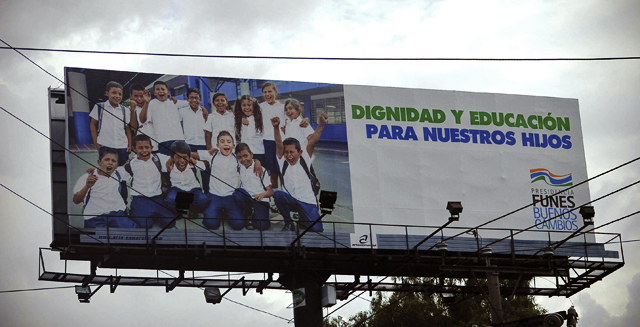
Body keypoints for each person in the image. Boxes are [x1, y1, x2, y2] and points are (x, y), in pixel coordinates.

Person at [271, 111, 328, 232]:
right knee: (278, 195)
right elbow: (278, 143)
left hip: (307, 201)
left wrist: (321, 124)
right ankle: (288, 223)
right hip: (291, 199)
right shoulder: (282, 161)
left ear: (300, 152)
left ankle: (303, 218)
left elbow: (312, 141)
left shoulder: (305, 158)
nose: (289, 155)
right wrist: (276, 127)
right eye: (286, 152)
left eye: (292, 152)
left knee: (317, 229)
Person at [118, 134, 176, 229]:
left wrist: (174, 156)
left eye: (147, 147)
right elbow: (115, 172)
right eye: (140, 148)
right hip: (140, 199)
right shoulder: (130, 165)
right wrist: (95, 171)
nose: (144, 151)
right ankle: (144, 213)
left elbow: (172, 159)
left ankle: (153, 214)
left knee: (170, 222)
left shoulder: (158, 158)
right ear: (134, 149)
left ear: (152, 148)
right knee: (142, 226)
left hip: (157, 197)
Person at [72, 149, 137, 228]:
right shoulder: (87, 177)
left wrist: (133, 160)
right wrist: (87, 186)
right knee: (99, 238)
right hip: (95, 217)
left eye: (113, 161)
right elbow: (76, 200)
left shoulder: (119, 173)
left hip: (117, 215)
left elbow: (132, 164)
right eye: (106, 159)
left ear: (117, 165)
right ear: (99, 162)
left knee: (134, 233)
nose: (110, 162)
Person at [194, 131, 245, 230]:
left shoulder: (237, 157)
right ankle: (215, 211)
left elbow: (250, 159)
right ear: (217, 145)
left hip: (230, 196)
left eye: (229, 142)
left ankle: (226, 212)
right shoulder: (212, 155)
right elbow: (192, 154)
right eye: (222, 142)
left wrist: (257, 162)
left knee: (238, 225)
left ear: (234, 145)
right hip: (214, 195)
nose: (226, 144)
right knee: (211, 224)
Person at [89, 81, 132, 166]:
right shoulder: (100, 107)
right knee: (107, 170)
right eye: (114, 93)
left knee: (122, 171)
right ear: (107, 93)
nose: (117, 96)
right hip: (105, 145)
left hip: (122, 146)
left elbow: (127, 128)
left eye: (120, 94)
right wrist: (95, 142)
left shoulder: (125, 110)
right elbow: (93, 124)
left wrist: (129, 145)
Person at [163, 141, 210, 218]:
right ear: (172, 157)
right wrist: (169, 160)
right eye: (178, 157)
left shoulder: (192, 165)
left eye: (185, 157)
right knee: (170, 200)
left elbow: (205, 165)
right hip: (177, 189)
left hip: (193, 189)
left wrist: (193, 160)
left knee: (203, 200)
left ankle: (194, 208)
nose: (182, 161)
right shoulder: (169, 165)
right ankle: (179, 210)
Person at [234, 143, 274, 231]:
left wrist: (262, 195)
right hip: (247, 198)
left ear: (251, 154)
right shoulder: (239, 167)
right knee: (237, 192)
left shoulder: (261, 169)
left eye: (246, 156)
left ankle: (255, 214)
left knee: (263, 226)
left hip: (260, 199)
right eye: (240, 157)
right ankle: (248, 213)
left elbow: (270, 192)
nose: (243, 159)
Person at [138, 81, 184, 156]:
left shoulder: (174, 103)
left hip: (179, 139)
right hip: (163, 141)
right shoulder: (152, 104)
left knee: (181, 163)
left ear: (168, 92)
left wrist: (203, 109)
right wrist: (146, 103)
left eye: (163, 89)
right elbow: (142, 120)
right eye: (158, 89)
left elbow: (191, 104)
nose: (160, 91)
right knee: (166, 165)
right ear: (154, 93)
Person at [234, 95, 265, 164]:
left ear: (253, 106)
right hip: (245, 153)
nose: (247, 107)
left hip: (259, 151)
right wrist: (242, 117)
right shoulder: (238, 119)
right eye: (244, 105)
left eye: (249, 105)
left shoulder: (259, 118)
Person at [176, 88, 209, 152]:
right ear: (187, 99)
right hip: (188, 144)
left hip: (202, 144)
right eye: (191, 97)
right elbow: (178, 127)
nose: (194, 100)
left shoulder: (204, 112)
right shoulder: (182, 111)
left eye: (196, 98)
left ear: (200, 100)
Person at [128, 83, 158, 152]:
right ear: (131, 96)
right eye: (136, 96)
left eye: (141, 96)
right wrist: (132, 111)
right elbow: (133, 128)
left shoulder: (153, 106)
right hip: (141, 146)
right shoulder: (128, 109)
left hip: (155, 144)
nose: (139, 99)